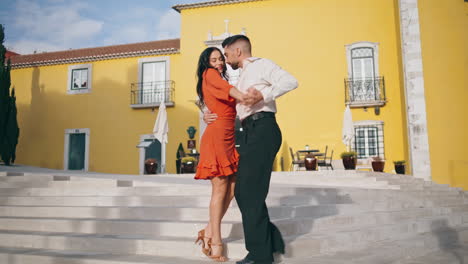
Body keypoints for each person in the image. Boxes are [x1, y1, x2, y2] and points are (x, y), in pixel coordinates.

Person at [205, 35, 298, 264]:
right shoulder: (243, 77)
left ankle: (260, 255)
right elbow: (232, 107)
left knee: (247, 192)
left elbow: (290, 81)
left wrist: (264, 94)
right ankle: (270, 243)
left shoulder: (262, 65)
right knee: (247, 192)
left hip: (263, 128)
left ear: (237, 51)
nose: (225, 60)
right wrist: (207, 115)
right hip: (250, 132)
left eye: (226, 54)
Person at [194, 47, 246, 262]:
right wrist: (247, 97)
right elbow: (227, 89)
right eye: (213, 60)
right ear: (206, 63)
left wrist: (205, 112)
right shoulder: (210, 74)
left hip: (227, 139)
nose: (218, 63)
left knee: (233, 186)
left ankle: (207, 230)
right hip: (216, 139)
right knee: (220, 188)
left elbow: (213, 98)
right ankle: (216, 242)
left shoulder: (213, 77)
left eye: (220, 60)